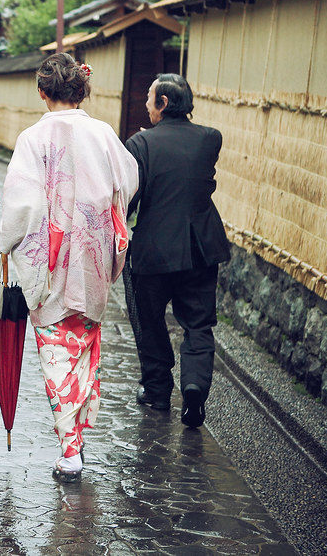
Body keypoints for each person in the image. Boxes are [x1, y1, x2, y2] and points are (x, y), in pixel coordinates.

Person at [0, 53, 138, 482]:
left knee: (56, 347)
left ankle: (70, 446)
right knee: (84, 340)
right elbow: (128, 181)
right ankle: (76, 431)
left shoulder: (32, 138)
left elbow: (21, 204)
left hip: (50, 255)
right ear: (83, 90)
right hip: (94, 252)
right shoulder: (104, 133)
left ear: (42, 92)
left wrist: (4, 243)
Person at [125, 73, 230, 429]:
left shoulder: (141, 144)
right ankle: (194, 385)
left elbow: (130, 198)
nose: (146, 105)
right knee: (199, 324)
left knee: (150, 320)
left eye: (149, 98)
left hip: (154, 250)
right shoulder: (210, 138)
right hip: (201, 247)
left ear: (163, 103)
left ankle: (157, 390)